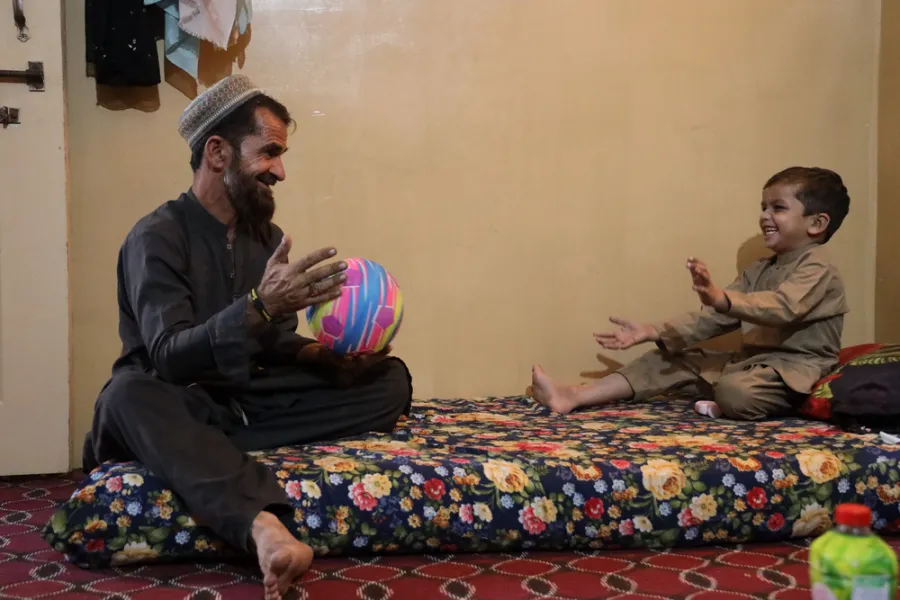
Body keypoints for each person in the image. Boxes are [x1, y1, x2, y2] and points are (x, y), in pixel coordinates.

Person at [81, 74, 413, 600]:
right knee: (126, 396)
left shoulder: (266, 238)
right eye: (270, 153)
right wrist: (260, 304)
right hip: (177, 399)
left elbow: (273, 338)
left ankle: (196, 457)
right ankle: (262, 526)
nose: (280, 170)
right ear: (217, 152)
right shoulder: (157, 236)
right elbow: (169, 358)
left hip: (241, 401)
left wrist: (322, 356)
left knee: (390, 380)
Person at [529, 166, 850, 421]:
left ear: (817, 223)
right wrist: (652, 331)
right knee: (668, 359)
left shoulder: (819, 267)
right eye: (763, 207)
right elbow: (715, 317)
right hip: (752, 363)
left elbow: (782, 308)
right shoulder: (761, 269)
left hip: (795, 372)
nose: (765, 215)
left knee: (735, 391)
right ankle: (574, 395)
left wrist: (722, 298)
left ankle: (740, 405)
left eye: (778, 207)